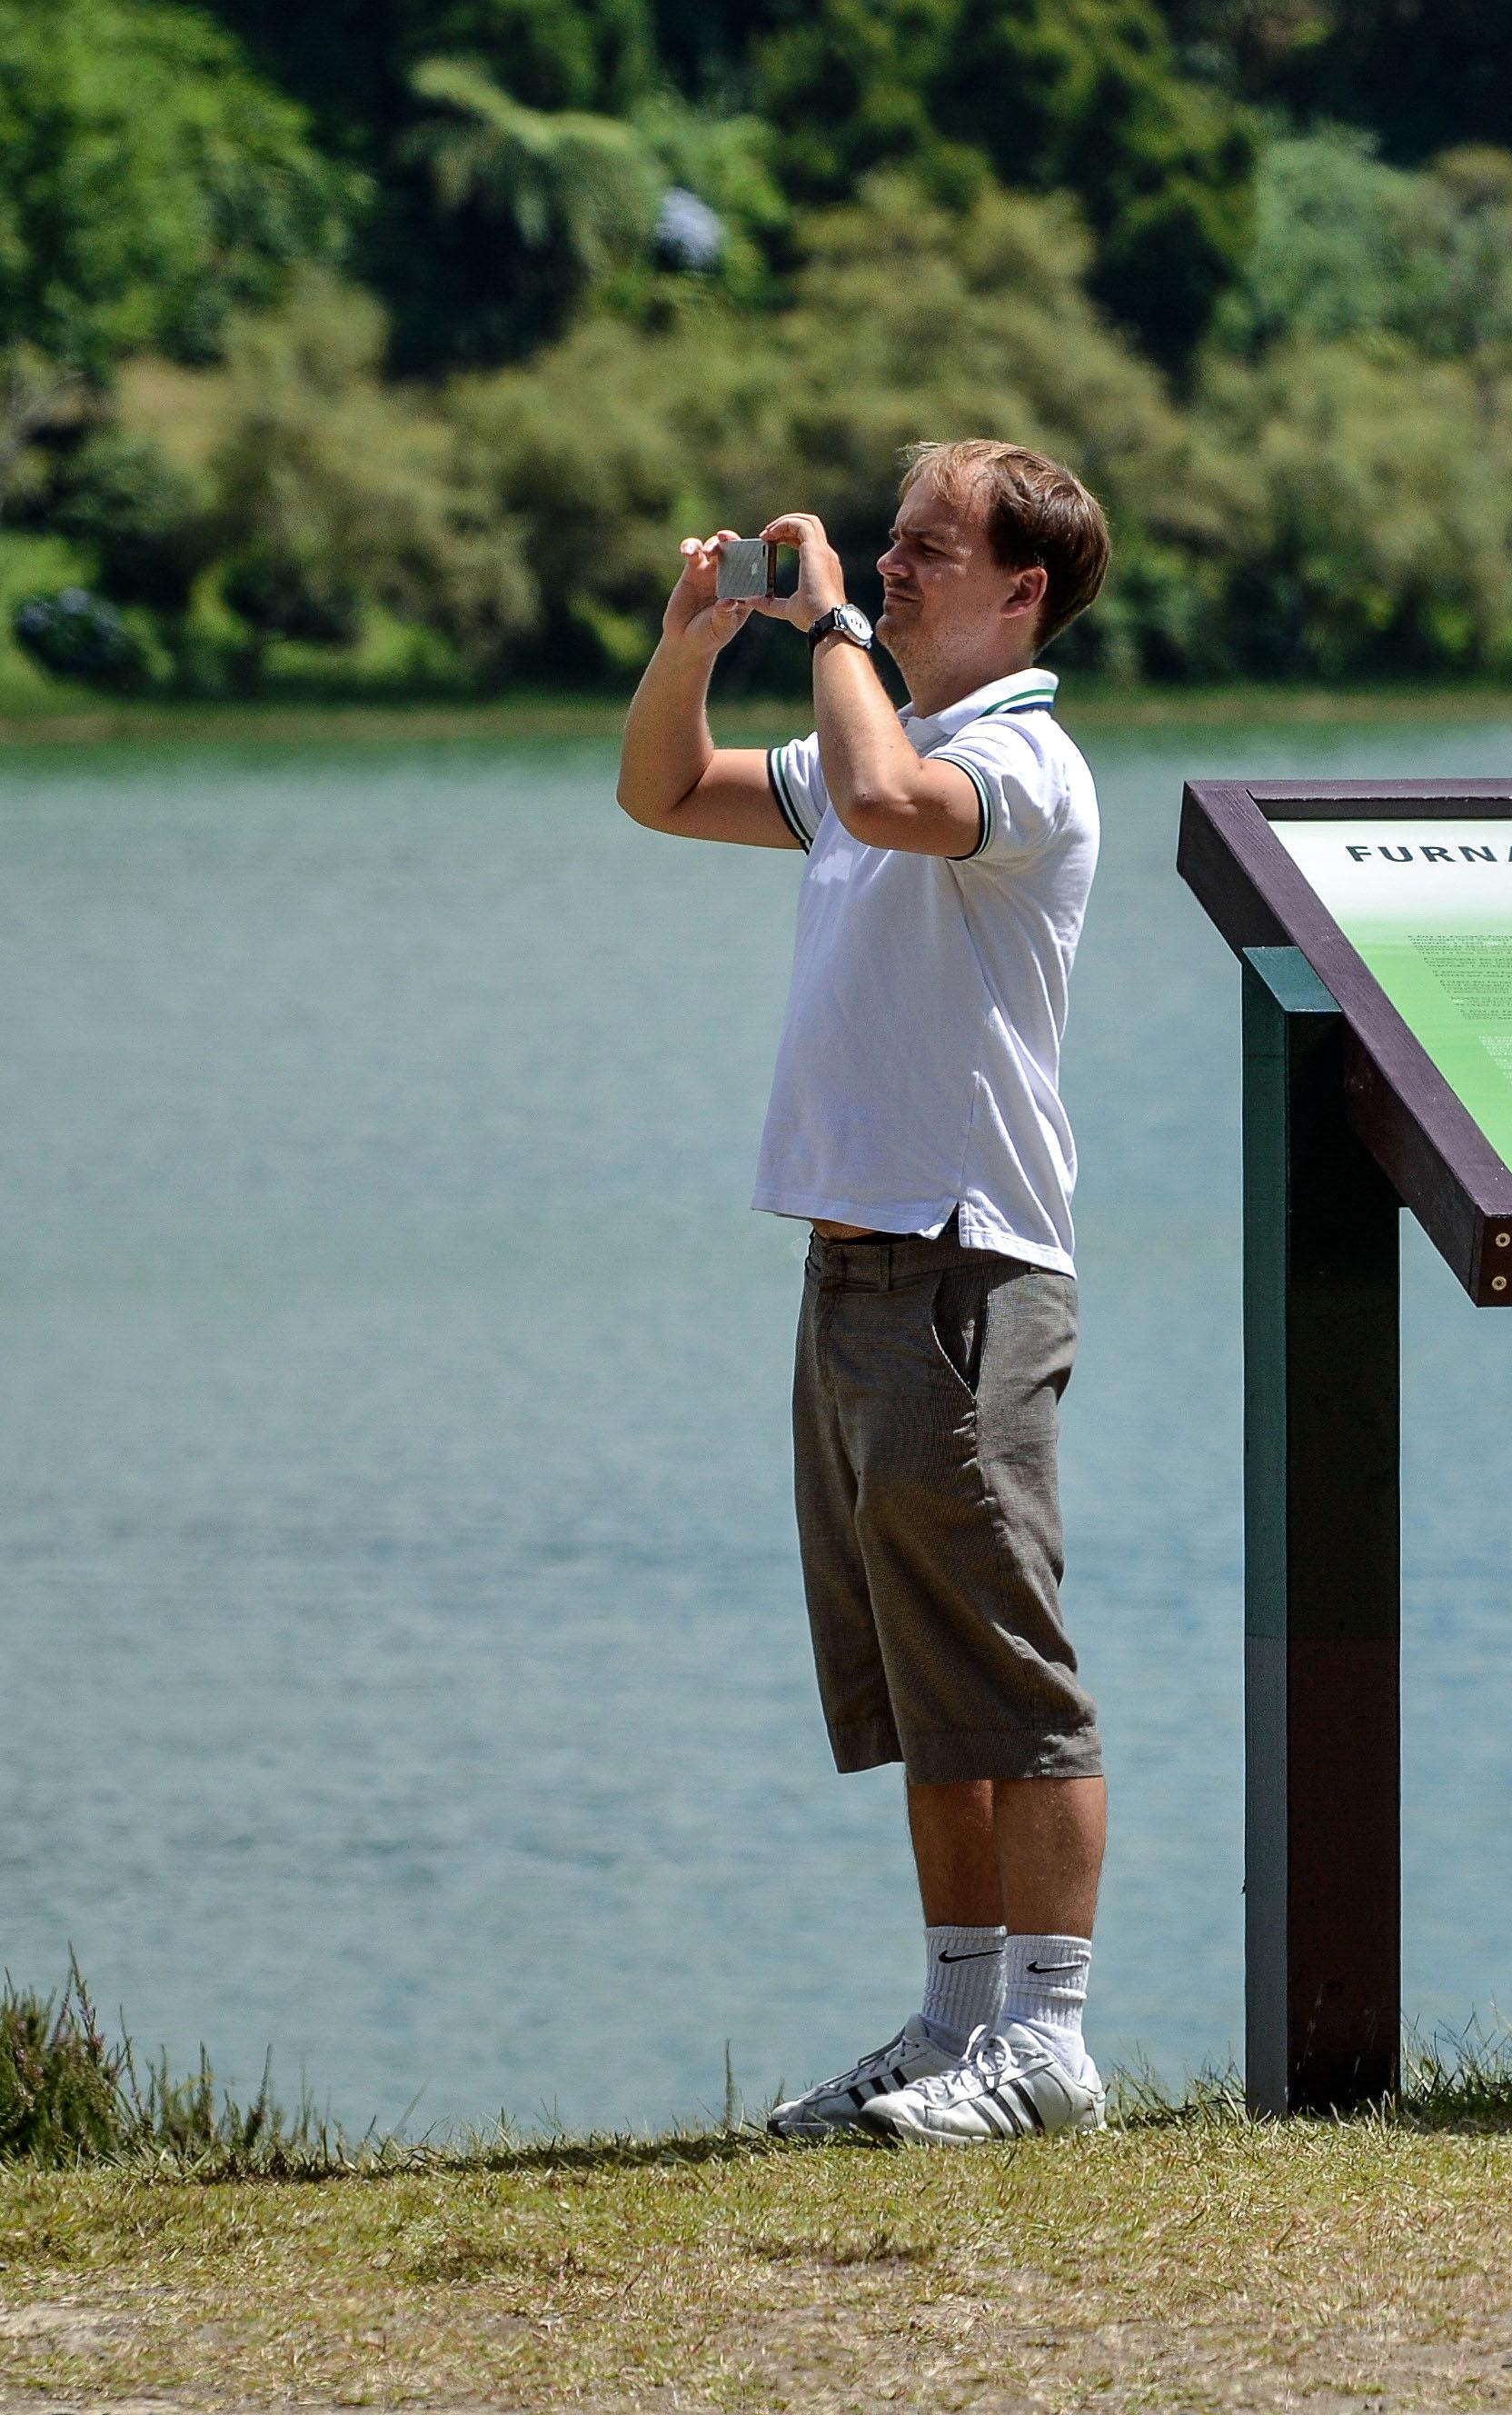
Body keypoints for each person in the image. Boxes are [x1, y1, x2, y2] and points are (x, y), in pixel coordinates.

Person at [612, 439, 1119, 2145]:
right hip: (855, 1264)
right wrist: (694, 640)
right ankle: (956, 2021)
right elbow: (664, 791)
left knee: (1008, 1670)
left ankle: (1049, 2042)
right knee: (923, 1682)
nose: (891, 570)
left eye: (926, 551)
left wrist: (828, 626)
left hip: (968, 1264)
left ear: (1022, 591)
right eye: (885, 548)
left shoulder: (1022, 763)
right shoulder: (872, 748)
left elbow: (897, 801)